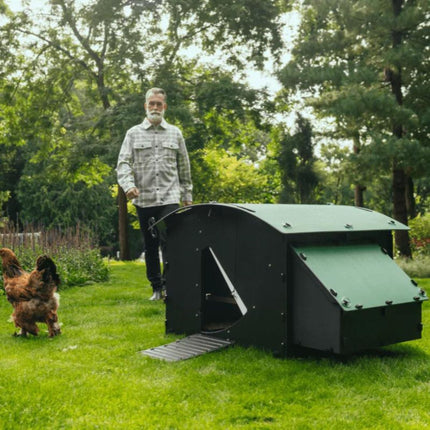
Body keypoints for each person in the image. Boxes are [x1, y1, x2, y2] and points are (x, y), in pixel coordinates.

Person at [116, 87, 193, 300]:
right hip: (145, 199)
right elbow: (123, 163)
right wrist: (128, 185)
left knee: (170, 241)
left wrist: (187, 195)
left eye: (159, 104)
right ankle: (157, 288)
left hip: (169, 197)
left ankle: (170, 287)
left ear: (164, 107)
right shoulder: (133, 133)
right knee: (150, 244)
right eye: (152, 103)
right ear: (146, 106)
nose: (155, 107)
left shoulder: (175, 133)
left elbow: (184, 166)